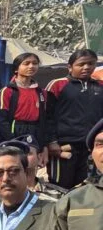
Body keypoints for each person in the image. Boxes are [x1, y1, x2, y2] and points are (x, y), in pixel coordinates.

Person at [43, 49, 103, 189]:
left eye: (90, 64)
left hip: (90, 147)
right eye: (81, 64)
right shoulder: (57, 85)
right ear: (70, 67)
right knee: (60, 187)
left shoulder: (100, 86)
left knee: (86, 188)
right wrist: (52, 142)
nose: (86, 67)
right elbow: (46, 116)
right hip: (63, 147)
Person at [0, 53, 46, 145]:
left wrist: (43, 144)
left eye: (35, 63)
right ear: (16, 69)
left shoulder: (41, 92)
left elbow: (43, 120)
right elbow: (0, 120)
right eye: (26, 63)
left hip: (34, 135)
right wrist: (13, 140)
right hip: (12, 134)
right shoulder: (7, 91)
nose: (31, 66)